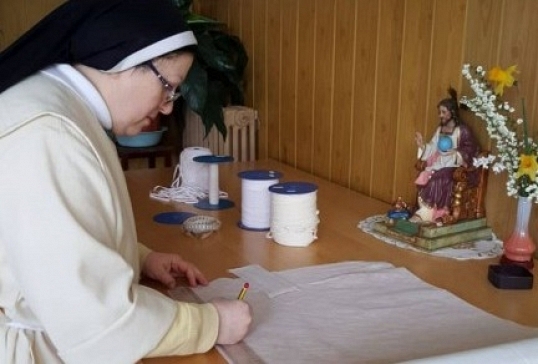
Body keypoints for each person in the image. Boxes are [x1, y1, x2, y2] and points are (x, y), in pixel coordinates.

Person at [0, 0, 251, 363]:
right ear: (126, 64)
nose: (167, 106)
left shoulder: (59, 108)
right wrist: (212, 323)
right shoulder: (48, 134)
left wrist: (139, 257)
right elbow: (98, 328)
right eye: (168, 87)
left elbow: (57, 241)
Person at [411, 88, 480, 223]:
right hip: (440, 163)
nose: (440, 115)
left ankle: (429, 213)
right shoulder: (440, 129)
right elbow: (432, 146)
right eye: (439, 112)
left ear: (452, 112)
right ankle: (426, 211)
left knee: (438, 178)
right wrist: (422, 145)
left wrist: (457, 153)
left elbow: (471, 149)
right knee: (427, 175)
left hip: (455, 166)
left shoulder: (462, 130)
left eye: (443, 112)